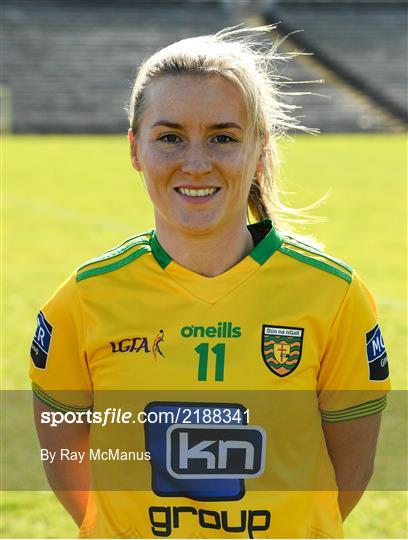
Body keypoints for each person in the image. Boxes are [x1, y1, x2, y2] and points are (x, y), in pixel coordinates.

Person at [30, 27, 390, 539]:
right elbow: (67, 458)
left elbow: (349, 477)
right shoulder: (82, 301)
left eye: (223, 136)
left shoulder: (334, 296)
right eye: (169, 137)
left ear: (260, 149)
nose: (196, 163)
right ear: (136, 149)